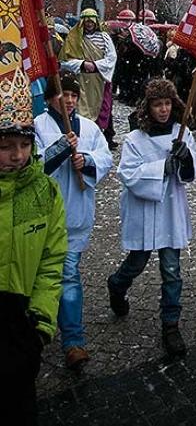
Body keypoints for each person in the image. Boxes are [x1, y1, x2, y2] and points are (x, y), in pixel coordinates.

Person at [107, 78, 196, 357]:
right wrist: (162, 167)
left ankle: (170, 324)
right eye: (158, 104)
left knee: (171, 270)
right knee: (137, 262)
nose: (163, 109)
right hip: (144, 211)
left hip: (171, 211)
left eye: (167, 103)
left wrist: (186, 159)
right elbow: (128, 173)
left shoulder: (181, 133)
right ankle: (117, 284)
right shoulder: (135, 139)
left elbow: (193, 169)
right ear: (147, 107)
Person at [0, 71, 67, 425]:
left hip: (21, 323)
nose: (17, 155)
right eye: (6, 146)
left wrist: (40, 323)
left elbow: (51, 261)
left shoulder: (45, 192)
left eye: (24, 145)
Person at [34, 71, 113, 370]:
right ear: (50, 98)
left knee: (69, 275)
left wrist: (87, 161)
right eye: (62, 94)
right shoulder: (38, 126)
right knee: (41, 277)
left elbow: (105, 158)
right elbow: (35, 165)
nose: (68, 100)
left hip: (76, 216)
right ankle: (38, 328)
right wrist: (59, 149)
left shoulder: (89, 128)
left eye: (72, 95)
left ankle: (73, 341)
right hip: (45, 217)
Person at [59, 8, 117, 142]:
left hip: (99, 79)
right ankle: (80, 135)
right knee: (80, 109)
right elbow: (64, 61)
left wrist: (96, 65)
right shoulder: (74, 38)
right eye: (87, 22)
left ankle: (97, 136)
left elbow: (111, 58)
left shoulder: (104, 37)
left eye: (92, 21)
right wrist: (82, 64)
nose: (89, 24)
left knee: (102, 109)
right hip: (80, 79)